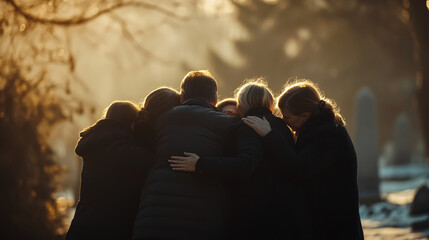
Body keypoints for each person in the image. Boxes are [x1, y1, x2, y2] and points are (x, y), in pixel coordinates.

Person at [133, 70, 263, 240]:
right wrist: (202, 165)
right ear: (215, 100)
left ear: (181, 97)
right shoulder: (232, 125)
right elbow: (247, 163)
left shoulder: (157, 122)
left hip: (151, 220)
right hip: (201, 223)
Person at [243, 80, 364, 240]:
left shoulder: (327, 135)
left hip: (335, 226)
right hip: (327, 222)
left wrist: (269, 135)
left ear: (305, 116)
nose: (285, 122)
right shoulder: (319, 129)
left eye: (288, 117)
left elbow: (298, 168)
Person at [66, 101, 152, 240]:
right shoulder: (131, 154)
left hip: (81, 227)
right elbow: (150, 160)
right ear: (132, 125)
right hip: (112, 231)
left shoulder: (92, 145)